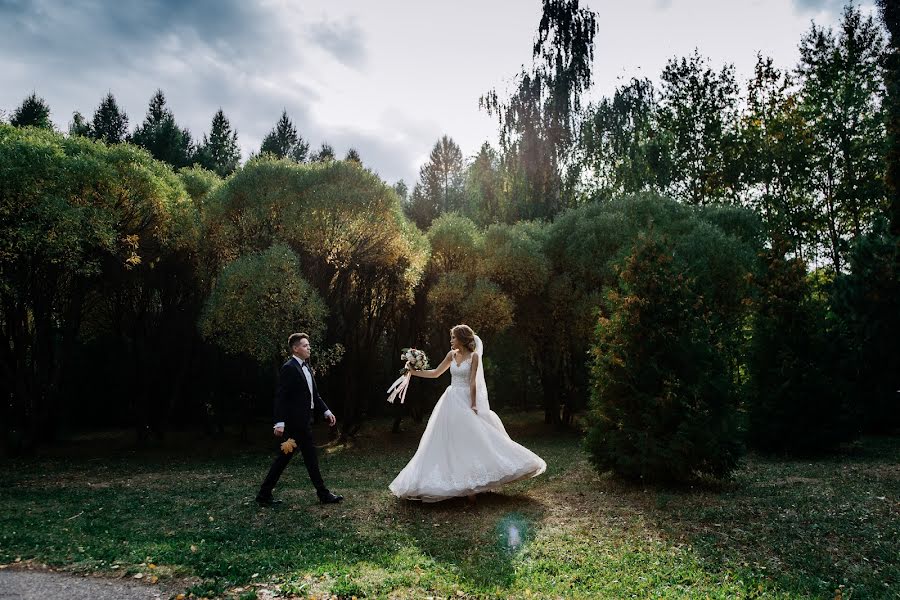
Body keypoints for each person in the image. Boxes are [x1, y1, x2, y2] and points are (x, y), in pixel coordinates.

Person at [389, 324, 546, 502]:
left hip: (465, 400)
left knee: (472, 440)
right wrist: (414, 372)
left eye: (453, 337)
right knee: (451, 440)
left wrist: (473, 404)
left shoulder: (474, 357)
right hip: (450, 400)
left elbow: (473, 382)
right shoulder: (451, 355)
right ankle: (461, 484)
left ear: (462, 339)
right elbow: (435, 373)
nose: (450, 341)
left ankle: (473, 486)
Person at [256, 333, 343, 506]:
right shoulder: (289, 368)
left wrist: (326, 411)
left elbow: (314, 396)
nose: (309, 347)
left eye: (308, 345)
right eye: (305, 345)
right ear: (295, 348)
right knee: (295, 458)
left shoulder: (307, 368)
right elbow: (281, 396)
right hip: (294, 426)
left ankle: (265, 495)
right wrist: (279, 423)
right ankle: (322, 494)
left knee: (296, 459)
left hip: (304, 424)